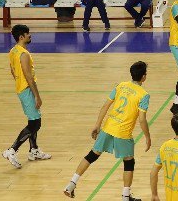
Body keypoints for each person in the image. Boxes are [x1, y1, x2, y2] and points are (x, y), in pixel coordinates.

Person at [63, 61, 151, 201]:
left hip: (108, 127)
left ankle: (71, 184)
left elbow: (105, 106)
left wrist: (97, 125)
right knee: (129, 162)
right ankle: (125, 196)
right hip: (123, 132)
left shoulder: (121, 85)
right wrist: (147, 137)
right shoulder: (144, 95)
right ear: (144, 77)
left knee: (92, 155)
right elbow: (141, 120)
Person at [2, 24, 51, 168]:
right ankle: (12, 150)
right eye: (27, 34)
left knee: (33, 119)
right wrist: (37, 96)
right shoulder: (23, 54)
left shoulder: (13, 51)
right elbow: (29, 77)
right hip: (27, 90)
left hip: (20, 89)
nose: (30, 35)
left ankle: (33, 150)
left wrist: (19, 83)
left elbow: (12, 71)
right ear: (21, 37)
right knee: (35, 123)